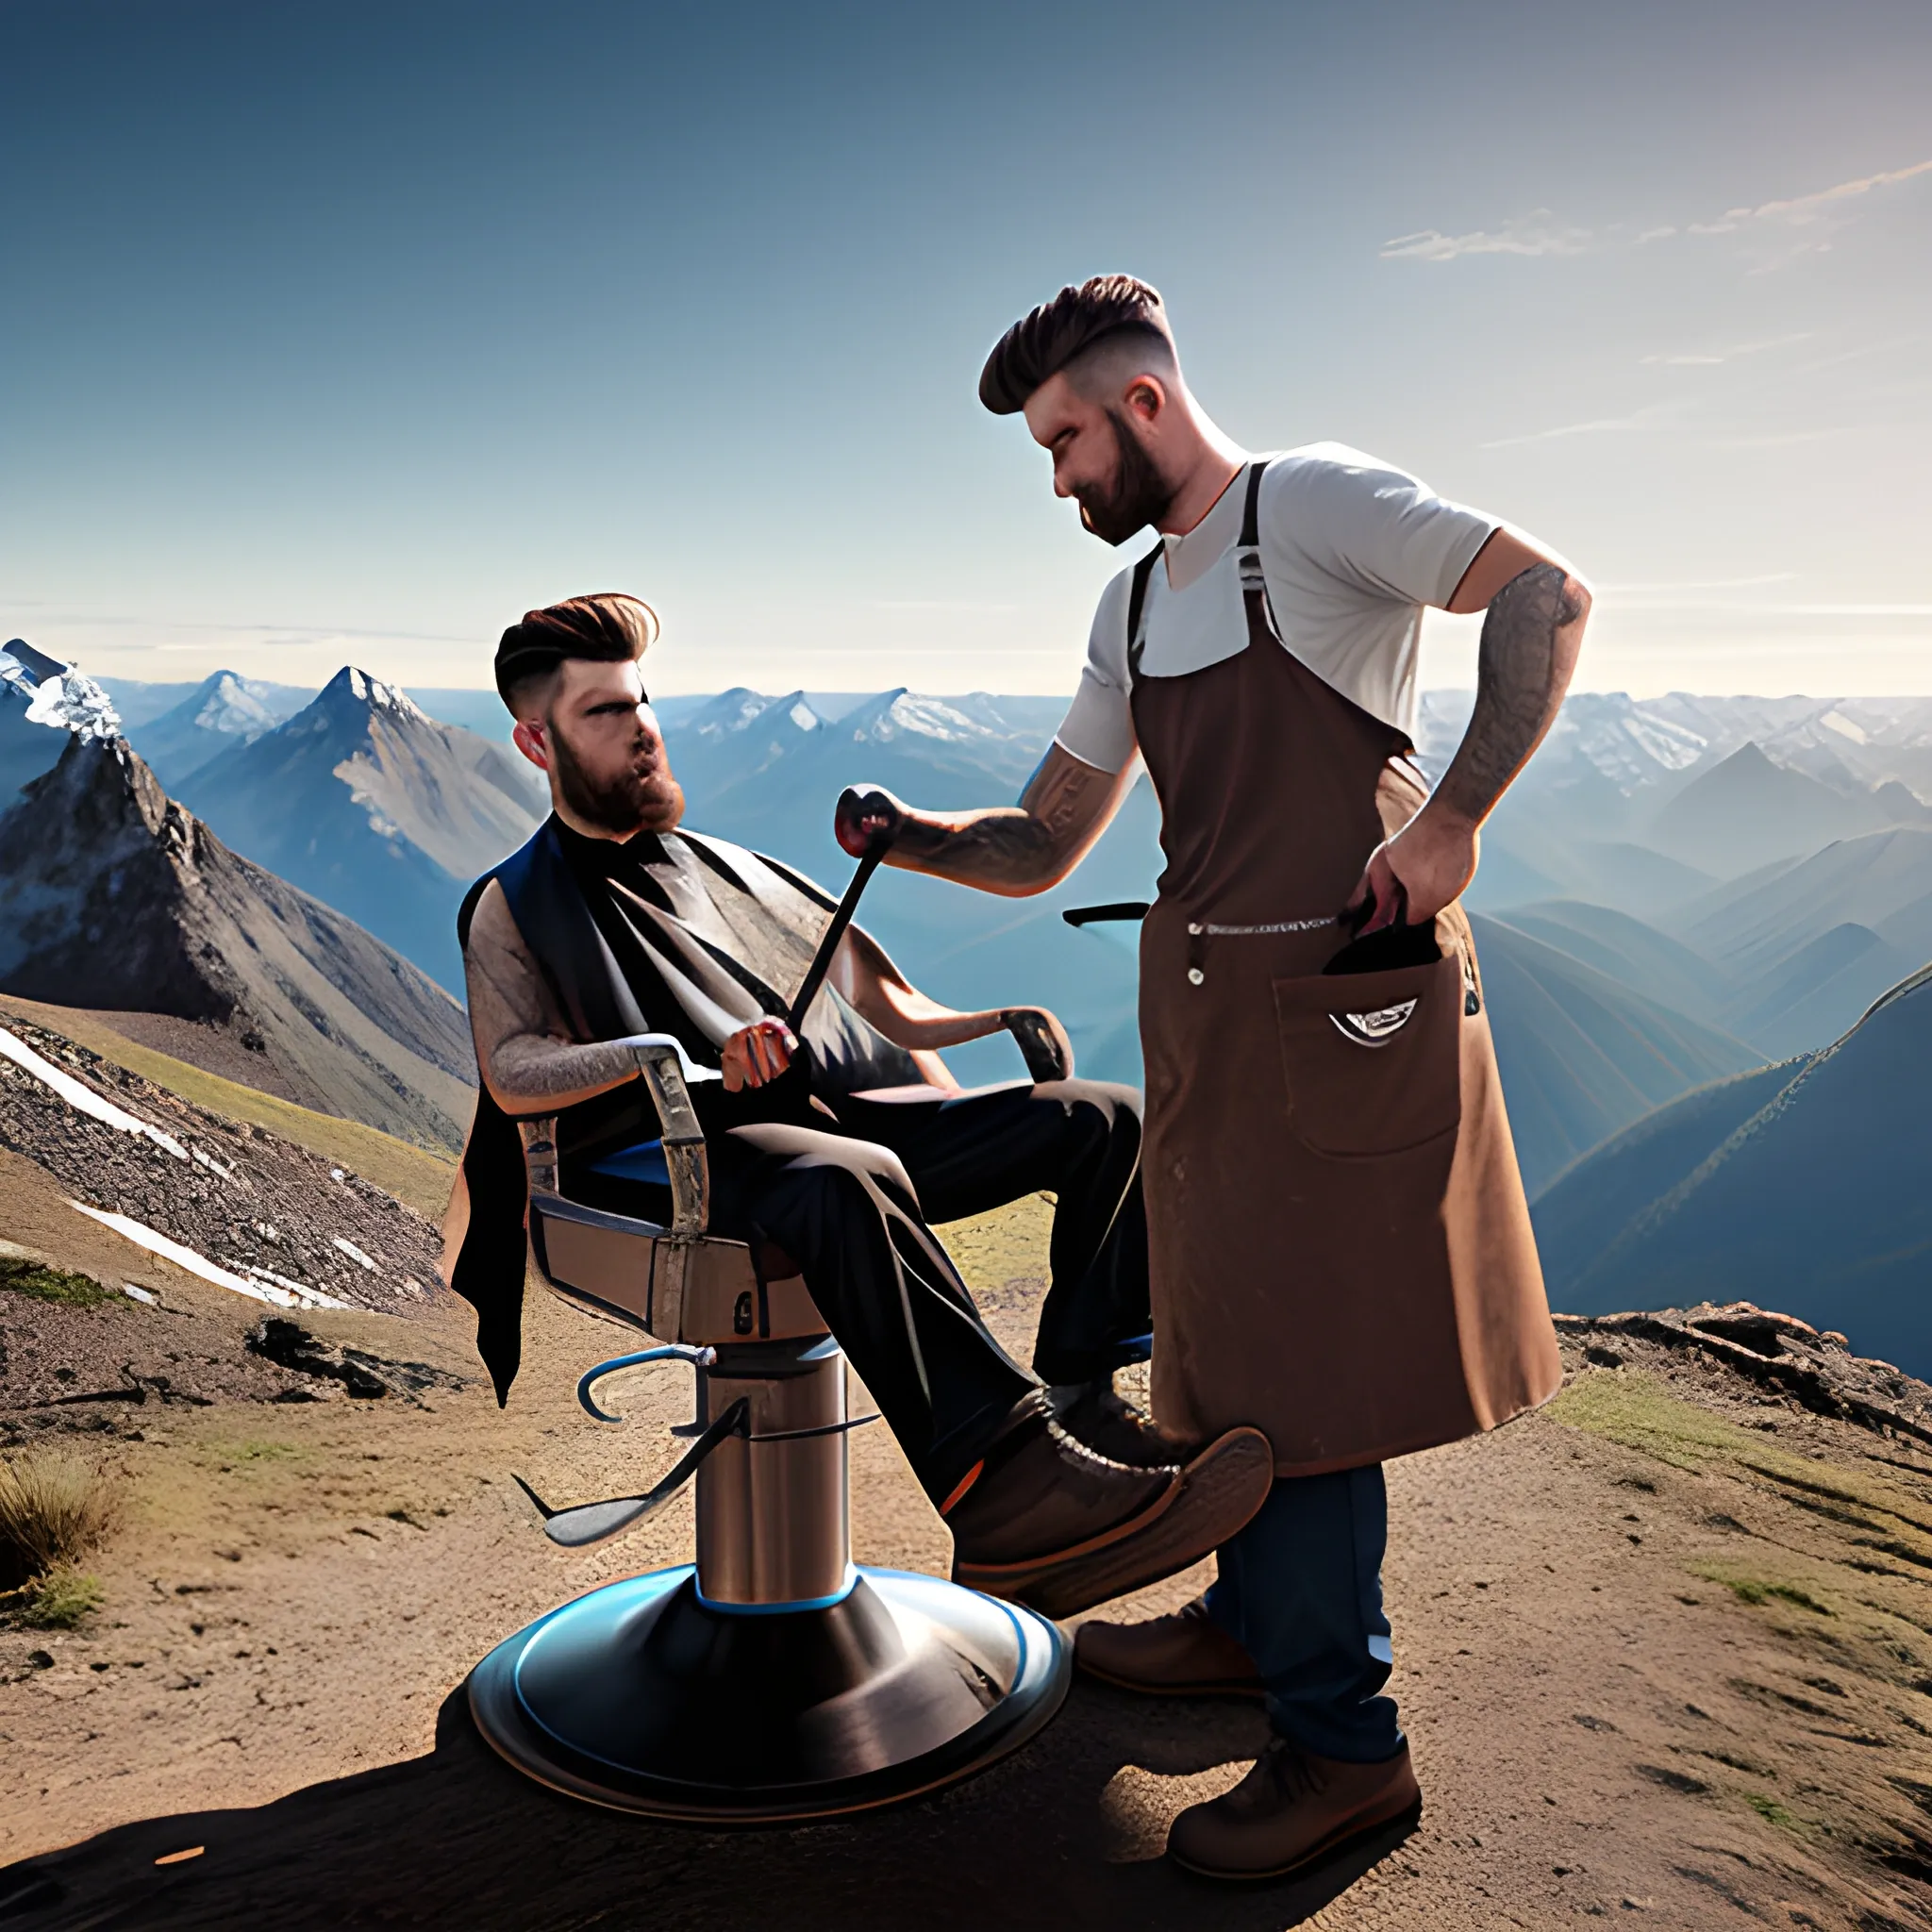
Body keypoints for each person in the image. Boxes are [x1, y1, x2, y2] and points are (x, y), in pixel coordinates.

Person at [834, 275, 1589, 1878]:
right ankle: (1254, 1628)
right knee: (1224, 1348)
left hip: (1338, 1003)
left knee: (1303, 1387)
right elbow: (1046, 838)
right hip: (1205, 1023)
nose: (1055, 481)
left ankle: (1342, 1747)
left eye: (1061, 442)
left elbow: (1543, 597)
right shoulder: (1126, 609)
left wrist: (1449, 822)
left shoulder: (1311, 504)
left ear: (1144, 406)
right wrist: (909, 836)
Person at [439, 591, 1274, 1620]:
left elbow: (871, 988)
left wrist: (984, 1023)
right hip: (668, 1158)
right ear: (536, 740)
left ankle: (1080, 1400)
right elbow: (513, 1065)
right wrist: (660, 1055)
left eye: (642, 699)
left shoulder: (721, 866)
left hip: (818, 1128)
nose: (643, 724)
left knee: (1103, 1117)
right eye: (605, 710)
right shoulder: (512, 900)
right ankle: (1006, 1500)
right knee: (849, 1172)